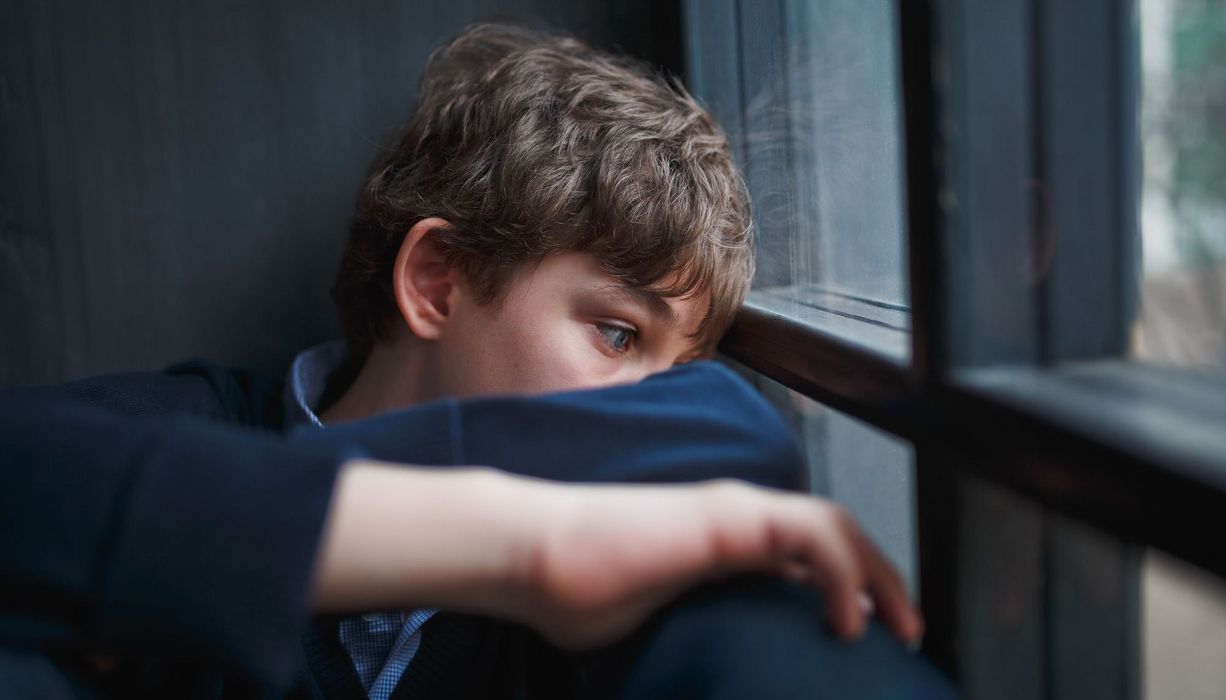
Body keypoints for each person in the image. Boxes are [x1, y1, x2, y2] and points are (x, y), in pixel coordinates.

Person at [0, 22, 955, 700]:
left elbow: (719, 431)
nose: (648, 402)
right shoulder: (185, 434)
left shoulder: (644, 526)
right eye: (617, 334)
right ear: (439, 280)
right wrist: (513, 541)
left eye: (679, 363)